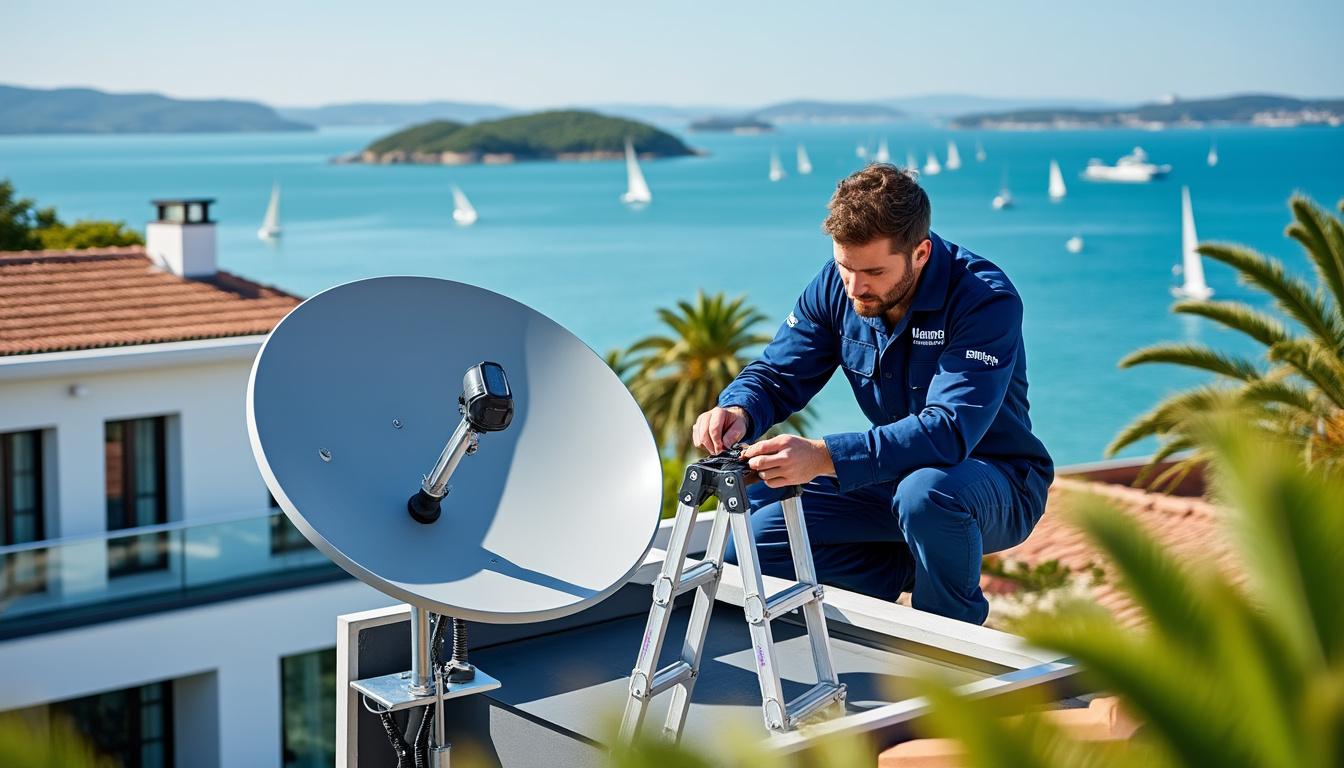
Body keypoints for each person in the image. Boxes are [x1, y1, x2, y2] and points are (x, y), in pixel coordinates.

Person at [692, 163, 1052, 625]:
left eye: (874, 272)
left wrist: (823, 456)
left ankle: (949, 645)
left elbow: (948, 430)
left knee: (927, 496)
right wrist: (739, 407)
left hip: (995, 480)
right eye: (846, 268)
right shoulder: (837, 285)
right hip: (895, 477)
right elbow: (779, 373)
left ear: (920, 253)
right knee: (751, 551)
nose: (856, 287)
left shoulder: (985, 299)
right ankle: (911, 565)